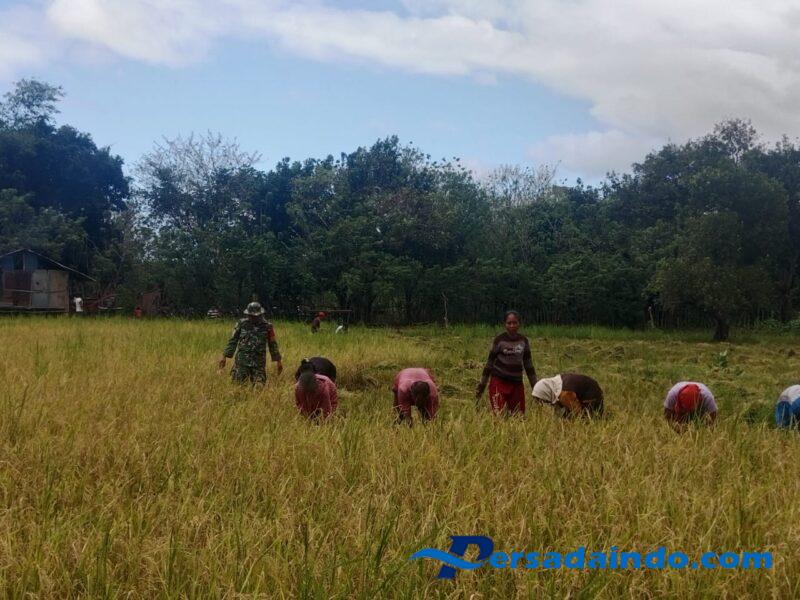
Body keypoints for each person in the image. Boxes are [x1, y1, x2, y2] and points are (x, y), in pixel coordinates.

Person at [476, 310, 537, 415]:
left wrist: (536, 388)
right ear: (504, 324)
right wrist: (481, 386)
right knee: (499, 415)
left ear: (519, 324)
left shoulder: (523, 341)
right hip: (498, 382)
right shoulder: (499, 340)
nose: (512, 326)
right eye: (509, 323)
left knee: (518, 417)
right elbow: (489, 364)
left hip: (516, 384)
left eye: (515, 323)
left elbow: (529, 366)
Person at [218, 302, 283, 385]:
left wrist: (278, 361)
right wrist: (224, 356)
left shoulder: (268, 326)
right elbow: (233, 341)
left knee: (259, 387)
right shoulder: (241, 324)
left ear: (260, 314)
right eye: (250, 315)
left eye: (255, 316)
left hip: (258, 364)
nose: (252, 318)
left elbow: (273, 344)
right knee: (237, 386)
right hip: (241, 363)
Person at [532, 373, 604, 417]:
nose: (543, 403)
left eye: (542, 400)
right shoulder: (558, 384)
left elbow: (578, 414)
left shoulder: (564, 394)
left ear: (545, 393)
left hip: (592, 405)